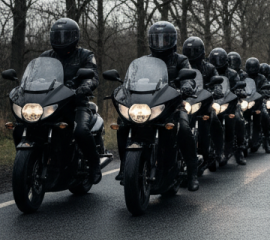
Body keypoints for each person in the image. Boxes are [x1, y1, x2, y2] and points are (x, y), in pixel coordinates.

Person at [16, 18, 103, 184]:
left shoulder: (85, 55)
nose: (61, 40)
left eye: (66, 36)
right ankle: (29, 161)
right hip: (50, 103)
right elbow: (34, 77)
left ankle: (94, 165)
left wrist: (85, 86)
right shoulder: (45, 57)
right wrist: (24, 88)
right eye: (57, 36)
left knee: (80, 131)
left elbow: (93, 76)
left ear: (75, 37)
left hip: (76, 103)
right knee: (20, 125)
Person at [116, 21, 199, 191]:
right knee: (122, 123)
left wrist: (187, 86)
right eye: (157, 39)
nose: (161, 43)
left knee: (183, 128)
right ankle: (125, 165)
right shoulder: (143, 62)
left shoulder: (181, 60)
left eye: (165, 39)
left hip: (174, 106)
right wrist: (124, 90)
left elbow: (189, 77)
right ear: (151, 41)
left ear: (173, 40)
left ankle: (192, 173)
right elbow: (132, 80)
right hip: (150, 105)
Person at [183, 36, 217, 170]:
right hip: (189, 102)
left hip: (204, 103)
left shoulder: (209, 68)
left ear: (202, 52)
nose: (192, 54)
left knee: (212, 119)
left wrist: (216, 89)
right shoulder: (183, 65)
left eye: (195, 51)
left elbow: (216, 79)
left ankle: (214, 148)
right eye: (189, 51)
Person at [209, 47, 246, 165]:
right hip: (215, 104)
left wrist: (240, 91)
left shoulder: (232, 73)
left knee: (239, 120)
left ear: (225, 60)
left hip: (230, 104)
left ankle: (240, 149)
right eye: (215, 60)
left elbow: (239, 86)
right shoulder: (210, 72)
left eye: (220, 60)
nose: (217, 63)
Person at [245, 57, 270, 153]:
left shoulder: (262, 77)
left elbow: (266, 85)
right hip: (246, 103)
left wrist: (265, 91)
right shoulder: (243, 76)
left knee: (265, 116)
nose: (252, 69)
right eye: (250, 67)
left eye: (254, 67)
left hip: (258, 103)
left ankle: (267, 141)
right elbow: (238, 84)